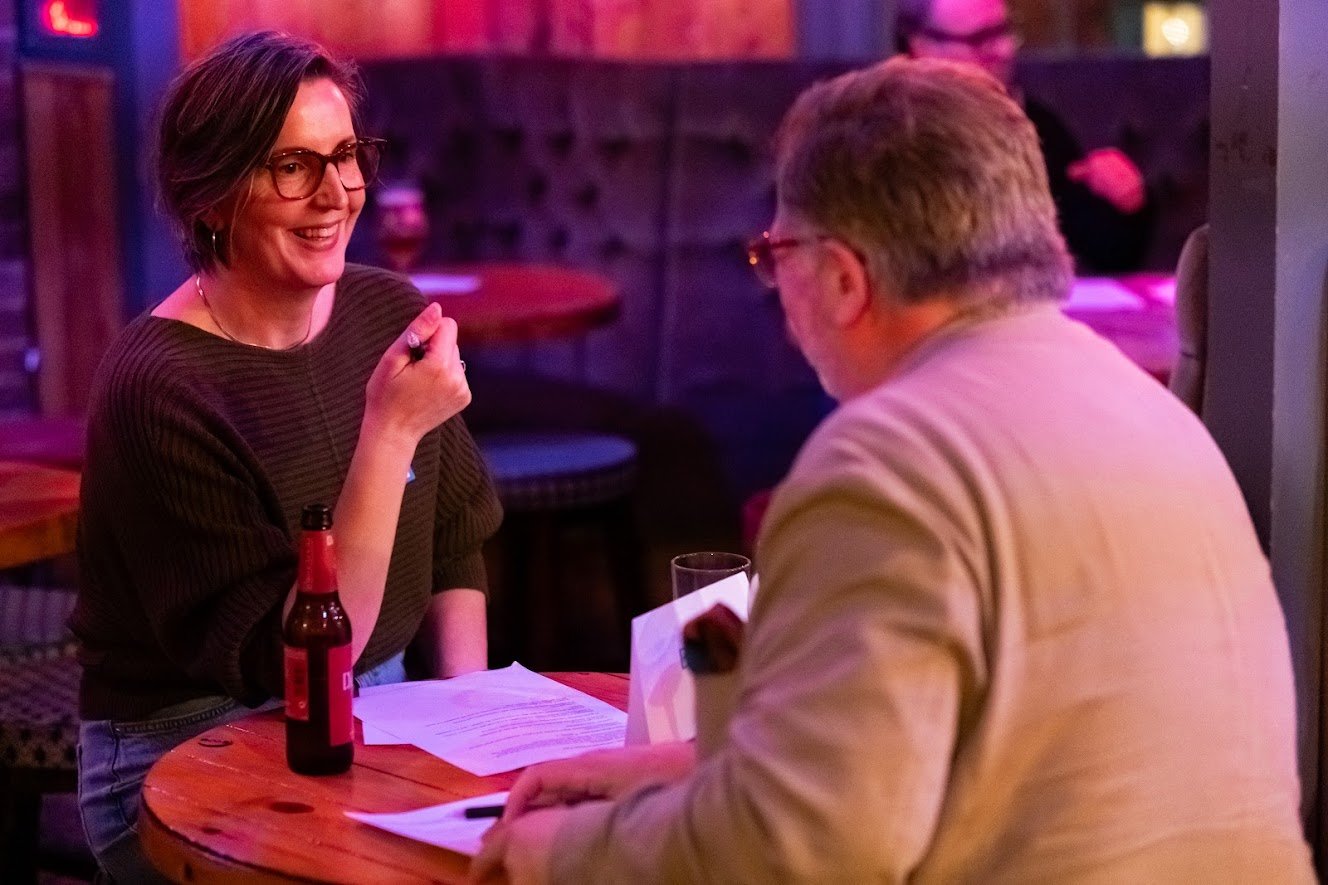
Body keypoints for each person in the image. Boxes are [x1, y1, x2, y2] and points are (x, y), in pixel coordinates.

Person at [471, 57, 1312, 883]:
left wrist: (562, 857)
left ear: (841, 277)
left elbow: (799, 853)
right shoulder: (1152, 414)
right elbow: (1020, 756)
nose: (778, 288)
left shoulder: (885, 464)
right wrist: (694, 769)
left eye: (776, 252)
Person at [71, 31, 502, 881]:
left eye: (346, 155)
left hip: (383, 709)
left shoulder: (389, 311)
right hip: (187, 742)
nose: (338, 193)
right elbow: (294, 660)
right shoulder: (158, 384)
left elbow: (455, 542)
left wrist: (469, 726)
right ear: (211, 199)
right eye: (292, 166)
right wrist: (388, 432)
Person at [899, 0, 1154, 274]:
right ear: (920, 46)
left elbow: (1109, 253)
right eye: (981, 38)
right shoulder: (885, 135)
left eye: (1004, 30)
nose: (1005, 50)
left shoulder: (1033, 123)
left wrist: (1127, 203)